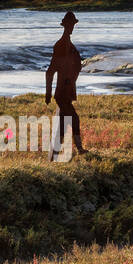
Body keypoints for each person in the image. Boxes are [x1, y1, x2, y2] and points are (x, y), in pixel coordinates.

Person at [45, 11, 86, 160]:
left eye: (73, 25)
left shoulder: (70, 45)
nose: (71, 28)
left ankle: (57, 155)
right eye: (69, 25)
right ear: (65, 26)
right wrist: (48, 93)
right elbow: (50, 71)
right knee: (70, 121)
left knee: (68, 123)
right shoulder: (61, 45)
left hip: (67, 92)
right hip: (62, 93)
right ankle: (64, 153)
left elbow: (75, 67)